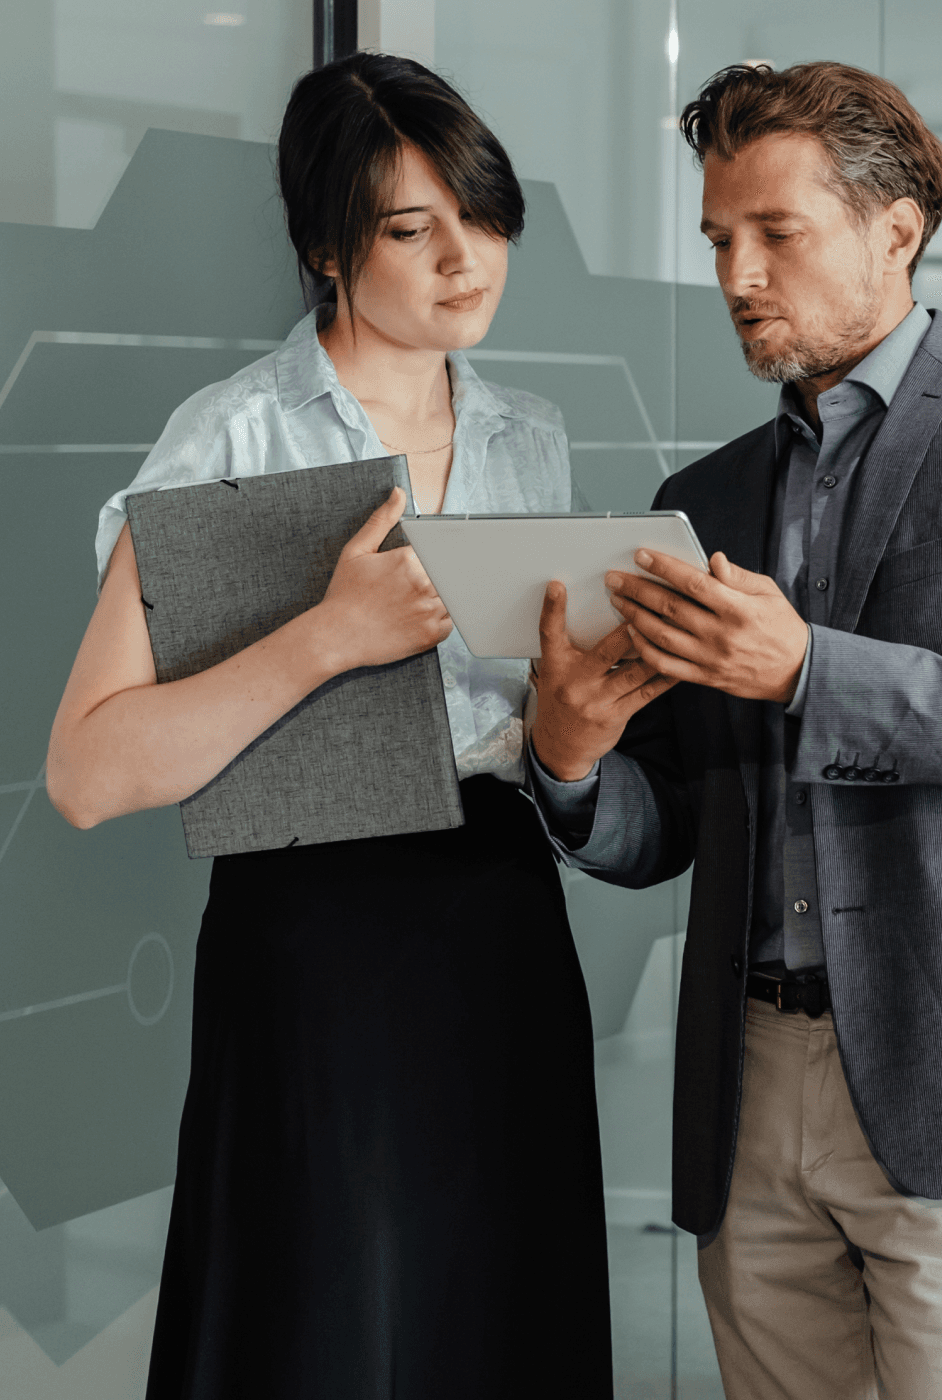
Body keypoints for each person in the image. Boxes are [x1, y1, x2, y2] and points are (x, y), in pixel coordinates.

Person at [526, 60, 942, 1400]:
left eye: (777, 233)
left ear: (897, 228)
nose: (738, 275)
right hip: (749, 1086)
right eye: (718, 240)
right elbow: (679, 818)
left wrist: (815, 667)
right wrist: (572, 763)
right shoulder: (701, 495)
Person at [46, 52, 612, 1400]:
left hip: (502, 913)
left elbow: (528, 721)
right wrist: (326, 637)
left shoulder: (533, 436)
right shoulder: (229, 433)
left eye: (482, 218)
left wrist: (574, 726)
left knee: (498, 1309)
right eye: (412, 229)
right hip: (312, 927)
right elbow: (88, 770)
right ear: (324, 246)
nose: (465, 260)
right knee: (319, 1326)